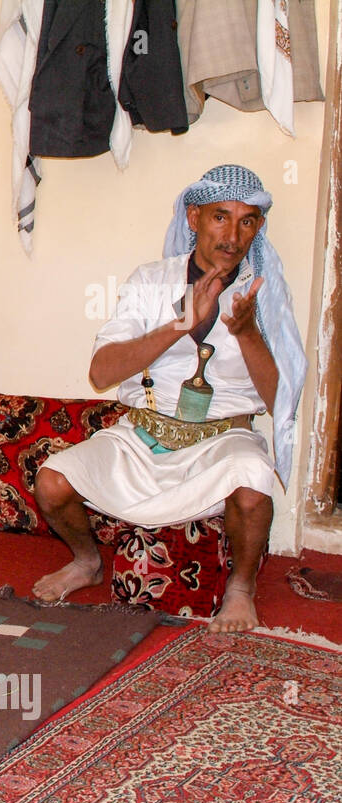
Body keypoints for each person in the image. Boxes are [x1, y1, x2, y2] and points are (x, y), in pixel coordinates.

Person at [32, 164, 306, 633]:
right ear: (192, 217)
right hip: (143, 436)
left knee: (255, 481)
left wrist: (247, 335)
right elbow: (102, 372)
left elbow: (280, 400)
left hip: (222, 441)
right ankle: (86, 562)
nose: (233, 234)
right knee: (52, 481)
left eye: (247, 221)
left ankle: (241, 590)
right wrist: (177, 326)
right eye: (221, 217)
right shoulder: (151, 281)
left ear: (258, 228)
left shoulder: (263, 293)